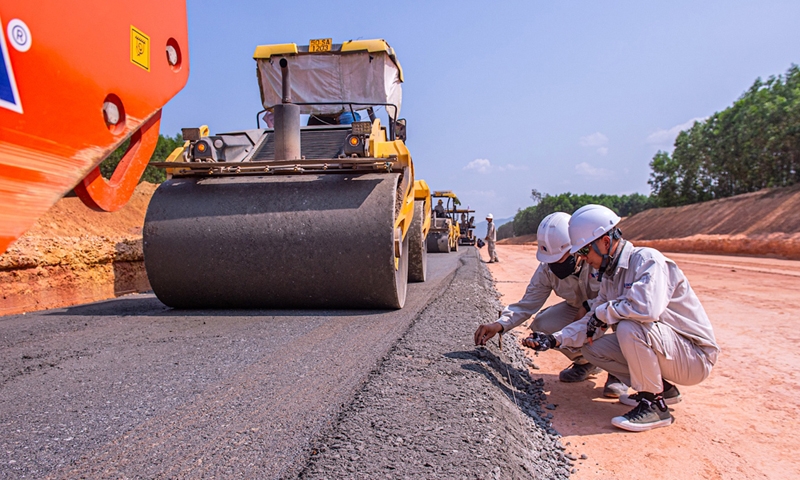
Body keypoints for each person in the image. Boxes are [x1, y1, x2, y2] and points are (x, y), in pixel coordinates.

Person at [524, 205, 719, 432]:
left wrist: (601, 313)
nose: (585, 260)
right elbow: (592, 320)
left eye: (586, 252)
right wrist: (554, 339)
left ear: (605, 242)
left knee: (629, 326)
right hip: (669, 351)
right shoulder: (611, 277)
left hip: (694, 356)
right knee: (592, 349)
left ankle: (654, 405)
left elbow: (646, 309)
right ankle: (663, 389)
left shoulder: (647, 261)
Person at [474, 213, 626, 397]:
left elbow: (618, 294)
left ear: (577, 249)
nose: (555, 266)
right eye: (551, 261)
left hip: (608, 308)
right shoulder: (547, 269)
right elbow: (527, 304)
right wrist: (499, 325)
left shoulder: (598, 259)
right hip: (576, 309)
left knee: (623, 320)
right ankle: (585, 362)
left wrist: (588, 307)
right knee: (543, 325)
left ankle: (619, 373)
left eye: (560, 259)